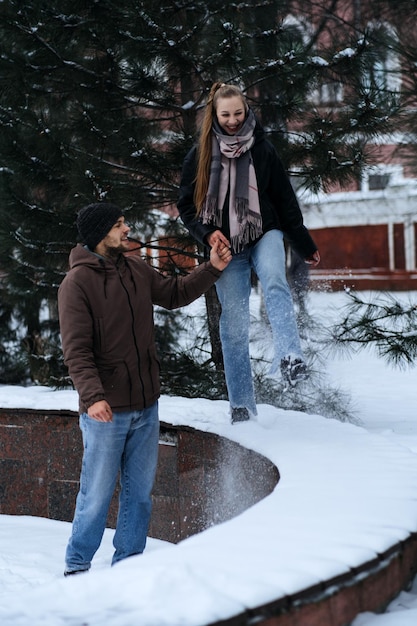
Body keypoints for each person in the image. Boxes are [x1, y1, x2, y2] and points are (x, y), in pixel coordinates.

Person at [57, 201, 231, 576]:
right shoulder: (77, 284)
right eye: (120, 225)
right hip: (106, 411)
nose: (127, 229)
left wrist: (212, 268)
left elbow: (174, 293)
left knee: (140, 497)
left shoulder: (135, 268)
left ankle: (128, 567)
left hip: (146, 405)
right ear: (101, 234)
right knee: (96, 496)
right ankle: (76, 565)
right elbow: (76, 351)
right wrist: (93, 397)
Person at [177, 82, 320, 424]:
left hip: (264, 232)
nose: (232, 120)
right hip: (225, 246)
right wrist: (207, 233)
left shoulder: (262, 148)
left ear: (246, 110)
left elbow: (285, 200)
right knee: (235, 323)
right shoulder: (199, 155)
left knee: (274, 280)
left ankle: (290, 357)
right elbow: (185, 205)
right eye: (225, 114)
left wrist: (303, 242)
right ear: (215, 113)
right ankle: (241, 406)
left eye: (238, 113)